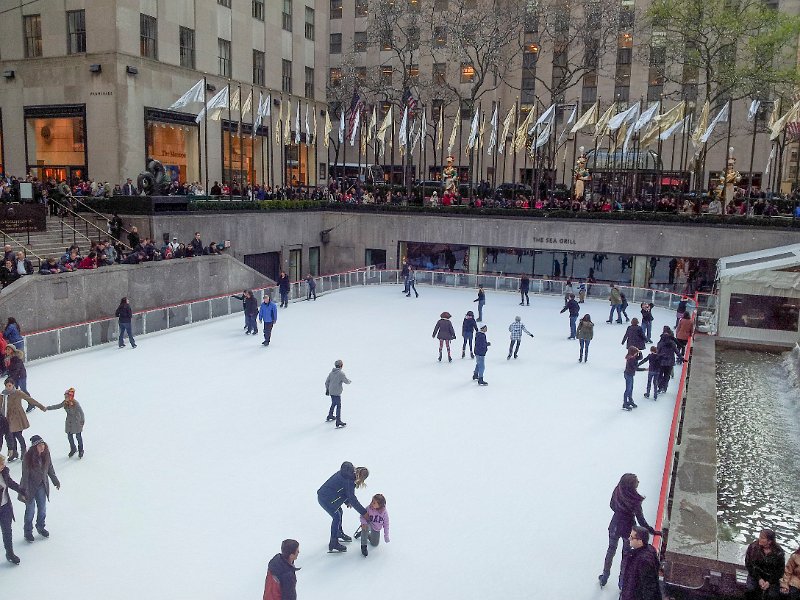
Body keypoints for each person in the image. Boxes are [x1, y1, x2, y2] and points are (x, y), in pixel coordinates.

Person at [598, 473, 659, 588]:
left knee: (611, 551)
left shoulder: (617, 490)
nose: (638, 483)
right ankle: (622, 582)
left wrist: (620, 512)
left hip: (615, 525)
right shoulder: (635, 500)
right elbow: (641, 521)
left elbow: (612, 505)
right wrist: (652, 531)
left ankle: (604, 576)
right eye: (636, 482)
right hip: (628, 529)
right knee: (625, 556)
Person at [317, 462, 369, 553]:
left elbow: (340, 489)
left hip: (327, 496)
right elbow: (352, 498)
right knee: (336, 516)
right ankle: (333, 543)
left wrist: (347, 501)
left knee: (340, 512)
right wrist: (364, 513)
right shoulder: (349, 480)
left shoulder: (347, 474)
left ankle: (338, 533)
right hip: (325, 499)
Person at [20, 435, 60, 543]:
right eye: (39, 445)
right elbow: (25, 476)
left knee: (42, 508)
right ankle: (28, 531)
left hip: (42, 486)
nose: (42, 447)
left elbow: (50, 468)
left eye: (43, 444)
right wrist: (23, 491)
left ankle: (40, 526)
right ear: (34, 447)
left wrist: (55, 481)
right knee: (30, 510)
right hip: (30, 487)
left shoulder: (46, 454)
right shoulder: (27, 458)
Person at [0, 378, 46, 462]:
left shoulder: (18, 393)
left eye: (9, 385)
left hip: (17, 417)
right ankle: (14, 452)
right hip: (8, 418)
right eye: (6, 386)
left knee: (18, 435)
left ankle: (24, 451)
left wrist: (41, 406)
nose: (8, 388)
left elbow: (29, 399)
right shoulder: (3, 395)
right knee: (11, 436)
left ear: (13, 385)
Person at [619, 526, 661, 600]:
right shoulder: (648, 551)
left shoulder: (643, 560)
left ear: (640, 541)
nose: (629, 539)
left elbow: (649, 587)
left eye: (632, 537)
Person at [744, 529, 785, 600]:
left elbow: (780, 571)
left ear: (769, 541)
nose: (759, 539)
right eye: (759, 537)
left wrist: (769, 582)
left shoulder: (779, 552)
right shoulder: (753, 547)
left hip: (771, 578)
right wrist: (759, 579)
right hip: (755, 574)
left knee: (772, 595)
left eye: (762, 538)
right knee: (750, 590)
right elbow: (748, 564)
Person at [46, 388, 85, 458]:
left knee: (78, 437)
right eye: (65, 397)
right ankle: (73, 448)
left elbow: (81, 412)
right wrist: (47, 408)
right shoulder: (65, 403)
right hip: (69, 422)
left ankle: (81, 450)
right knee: (70, 437)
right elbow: (57, 406)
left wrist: (82, 421)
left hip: (76, 422)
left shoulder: (75, 403)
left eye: (67, 396)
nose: (66, 398)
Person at [0, 453, 24, 564]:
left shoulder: (4, 473)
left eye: (3, 463)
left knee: (7, 531)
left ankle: (10, 553)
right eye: (1, 464)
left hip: (5, 507)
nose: (3, 465)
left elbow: (10, 483)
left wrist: (21, 490)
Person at [324, 360, 351, 429]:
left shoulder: (331, 373)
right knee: (338, 406)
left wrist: (327, 389)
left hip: (331, 391)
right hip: (337, 392)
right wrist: (349, 381)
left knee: (333, 403)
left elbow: (327, 382)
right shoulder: (341, 373)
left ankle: (330, 415)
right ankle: (338, 421)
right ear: (341, 365)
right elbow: (346, 381)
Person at [656, 327, 682, 394]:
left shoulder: (661, 343)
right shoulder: (672, 343)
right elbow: (677, 351)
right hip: (670, 362)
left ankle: (660, 387)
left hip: (662, 362)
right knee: (667, 376)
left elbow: (658, 352)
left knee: (660, 375)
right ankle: (665, 387)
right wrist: (681, 357)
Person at [622, 346, 646, 411]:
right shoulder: (631, 359)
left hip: (630, 374)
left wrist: (640, 352)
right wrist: (644, 369)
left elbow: (640, 357)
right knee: (628, 389)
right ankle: (625, 403)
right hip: (628, 375)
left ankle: (630, 400)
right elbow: (636, 368)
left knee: (631, 388)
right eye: (636, 352)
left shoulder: (633, 357)